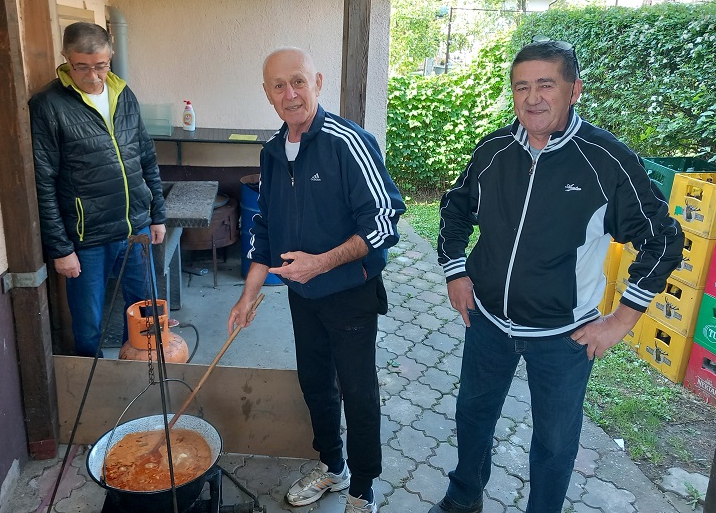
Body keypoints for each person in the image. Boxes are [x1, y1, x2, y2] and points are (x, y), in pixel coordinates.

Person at [430, 39, 684, 513]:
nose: (532, 98)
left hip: (563, 338)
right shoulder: (494, 150)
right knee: (473, 415)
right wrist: (455, 270)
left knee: (553, 442)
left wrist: (620, 321)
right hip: (487, 323)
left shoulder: (605, 160)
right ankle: (463, 498)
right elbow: (455, 207)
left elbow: (663, 239)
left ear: (574, 90)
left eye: (546, 84)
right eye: (521, 86)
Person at [227, 47, 405, 513]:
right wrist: (247, 296)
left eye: (299, 82)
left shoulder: (349, 142)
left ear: (318, 82)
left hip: (351, 294)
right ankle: (333, 466)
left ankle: (363, 487)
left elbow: (385, 220)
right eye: (279, 86)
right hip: (302, 296)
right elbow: (263, 228)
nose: (291, 94)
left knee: (358, 391)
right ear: (267, 94)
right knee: (315, 384)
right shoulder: (270, 152)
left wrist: (320, 263)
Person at [30, 22, 166, 357]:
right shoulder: (48, 105)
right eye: (82, 67)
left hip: (136, 230)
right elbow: (43, 182)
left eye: (101, 66)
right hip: (86, 238)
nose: (93, 76)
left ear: (110, 57)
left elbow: (146, 156)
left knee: (144, 312)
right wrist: (61, 248)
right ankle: (94, 386)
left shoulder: (123, 93)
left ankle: (137, 374)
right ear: (66, 59)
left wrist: (157, 215)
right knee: (88, 325)